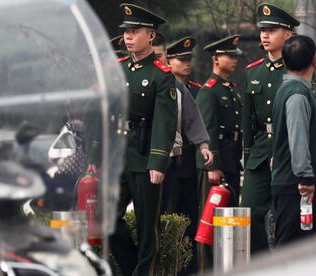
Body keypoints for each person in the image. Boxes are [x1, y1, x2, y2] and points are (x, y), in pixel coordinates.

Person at [109, 3, 178, 275]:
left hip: (145, 152)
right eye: (126, 31)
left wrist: (158, 163)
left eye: (135, 31)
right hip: (119, 154)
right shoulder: (118, 68)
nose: (128, 36)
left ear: (150, 35)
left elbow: (165, 121)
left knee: (147, 224)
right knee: (108, 220)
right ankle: (131, 268)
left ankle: (143, 271)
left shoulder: (161, 75)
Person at [241, 3, 299, 254]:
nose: (264, 35)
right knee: (250, 212)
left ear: (288, 34)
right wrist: (247, 154)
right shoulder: (253, 72)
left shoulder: (298, 69)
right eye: (263, 29)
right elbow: (247, 119)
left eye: (272, 30)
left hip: (287, 152)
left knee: (288, 218)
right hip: (260, 154)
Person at [271, 35, 316, 247]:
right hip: (299, 188)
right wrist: (306, 178)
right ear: (314, 59)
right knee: (293, 251)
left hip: (293, 184)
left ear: (284, 63)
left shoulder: (289, 90)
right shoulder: (297, 94)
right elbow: (298, 138)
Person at [164, 36, 213, 275]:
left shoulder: (192, 90)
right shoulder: (163, 85)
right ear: (168, 60)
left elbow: (195, 122)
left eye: (188, 60)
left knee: (190, 218)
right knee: (169, 217)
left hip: (188, 165)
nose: (186, 64)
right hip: (168, 162)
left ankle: (188, 268)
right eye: (180, 59)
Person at [195, 34, 243, 272]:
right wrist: (211, 166)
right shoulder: (209, 91)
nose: (234, 60)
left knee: (228, 220)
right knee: (210, 221)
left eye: (235, 56)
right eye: (229, 56)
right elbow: (207, 131)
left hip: (231, 160)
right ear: (215, 59)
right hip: (215, 165)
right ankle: (206, 269)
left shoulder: (230, 89)